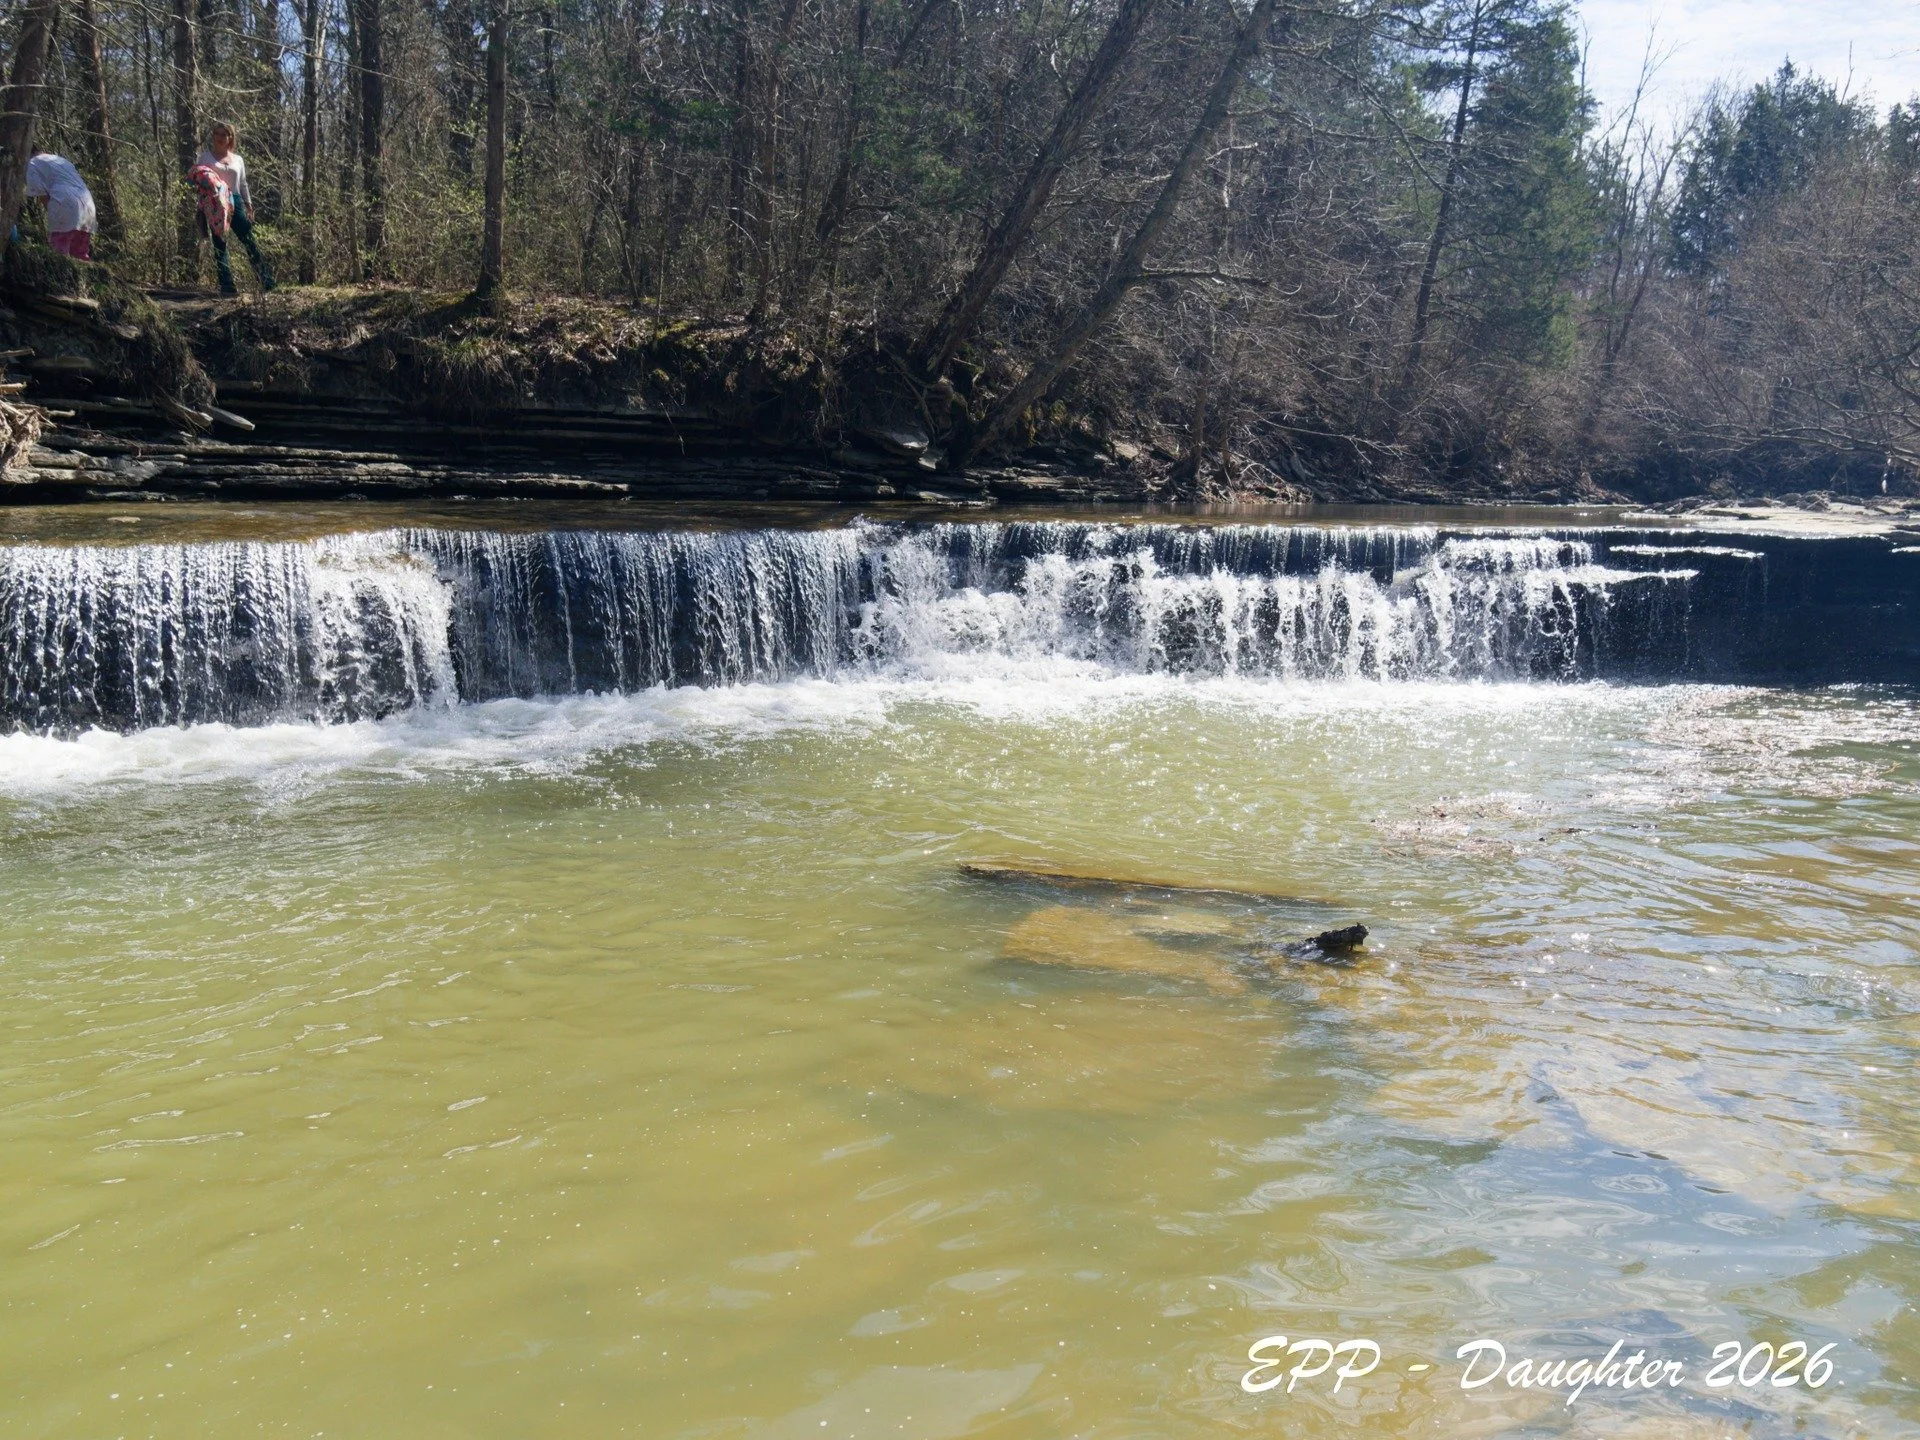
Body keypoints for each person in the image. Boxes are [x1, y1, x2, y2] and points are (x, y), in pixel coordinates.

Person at [195, 121, 274, 294]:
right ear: (213, 136)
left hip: (236, 202)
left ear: (231, 138)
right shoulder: (205, 158)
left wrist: (249, 205)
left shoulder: (238, 159)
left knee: (249, 241)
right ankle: (227, 287)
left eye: (225, 134)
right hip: (215, 203)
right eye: (217, 133)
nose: (221, 138)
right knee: (220, 245)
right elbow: (200, 184)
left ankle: (267, 281)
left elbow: (243, 183)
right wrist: (200, 208)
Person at [24, 148, 97, 260]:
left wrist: (55, 216)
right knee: (80, 254)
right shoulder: (60, 160)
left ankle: (61, 276)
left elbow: (42, 194)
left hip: (64, 201)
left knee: (59, 254)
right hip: (88, 204)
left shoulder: (32, 163)